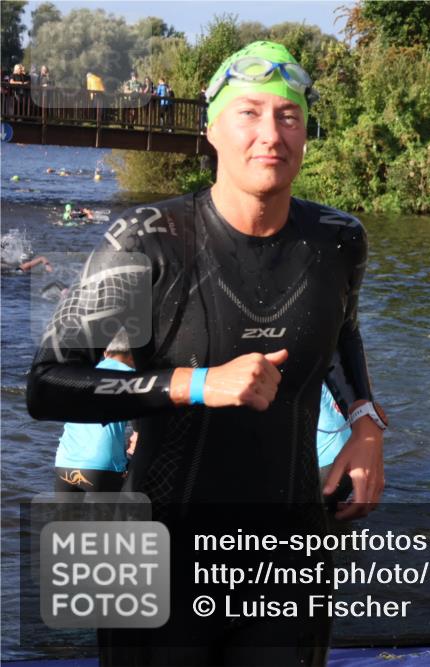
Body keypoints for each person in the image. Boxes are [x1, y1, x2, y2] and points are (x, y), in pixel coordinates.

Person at [27, 40, 386, 665]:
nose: (270, 133)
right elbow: (49, 384)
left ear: (307, 133)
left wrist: (366, 423)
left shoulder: (338, 240)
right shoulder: (143, 240)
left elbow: (341, 335)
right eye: (248, 112)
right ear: (211, 128)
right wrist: (193, 385)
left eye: (289, 115)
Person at [54, 332, 134, 493]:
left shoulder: (82, 374)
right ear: (133, 355)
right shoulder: (133, 379)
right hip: (103, 467)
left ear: (105, 352)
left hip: (65, 462)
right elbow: (140, 434)